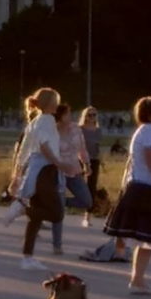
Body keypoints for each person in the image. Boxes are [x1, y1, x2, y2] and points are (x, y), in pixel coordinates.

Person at [104, 97, 151, 295]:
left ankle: (137, 279)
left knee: (147, 239)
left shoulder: (148, 132)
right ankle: (136, 279)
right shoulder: (150, 132)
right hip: (146, 188)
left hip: (142, 186)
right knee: (149, 237)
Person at [4, 89, 72, 270]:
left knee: (36, 218)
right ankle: (24, 209)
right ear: (50, 103)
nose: (58, 105)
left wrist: (17, 174)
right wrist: (59, 163)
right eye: (56, 101)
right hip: (45, 171)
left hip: (35, 170)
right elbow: (43, 145)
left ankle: (27, 257)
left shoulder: (35, 121)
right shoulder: (47, 120)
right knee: (56, 213)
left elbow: (24, 149)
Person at [56, 103, 92, 254]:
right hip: (58, 172)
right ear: (60, 116)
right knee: (58, 212)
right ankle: (57, 244)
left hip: (75, 171)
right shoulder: (52, 131)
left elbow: (82, 148)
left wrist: (87, 164)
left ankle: (60, 203)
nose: (70, 116)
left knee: (86, 200)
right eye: (67, 114)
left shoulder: (76, 129)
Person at [80, 107, 103, 228]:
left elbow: (98, 147)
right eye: (90, 115)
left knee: (91, 187)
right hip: (80, 159)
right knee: (76, 184)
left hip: (94, 160)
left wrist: (101, 161)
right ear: (85, 116)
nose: (92, 117)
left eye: (94, 115)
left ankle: (87, 216)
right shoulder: (80, 130)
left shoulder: (98, 131)